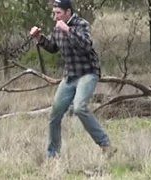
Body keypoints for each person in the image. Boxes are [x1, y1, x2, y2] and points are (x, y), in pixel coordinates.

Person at [29, 0, 117, 158]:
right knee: (54, 114)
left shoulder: (81, 24)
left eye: (59, 13)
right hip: (70, 75)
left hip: (88, 72)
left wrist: (68, 30)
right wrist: (39, 38)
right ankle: (53, 155)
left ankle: (105, 145)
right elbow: (53, 47)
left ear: (68, 12)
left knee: (79, 108)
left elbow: (86, 46)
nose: (55, 17)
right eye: (54, 13)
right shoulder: (57, 27)